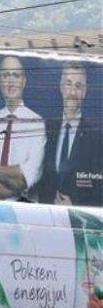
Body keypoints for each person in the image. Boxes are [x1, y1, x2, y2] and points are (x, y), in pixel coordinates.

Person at [0, 56, 46, 200]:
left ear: (23, 81)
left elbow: (25, 179)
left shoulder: (36, 123)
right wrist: (12, 177)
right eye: (6, 75)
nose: (11, 81)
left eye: (16, 75)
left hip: (23, 211)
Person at [39, 61, 101, 206]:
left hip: (78, 218)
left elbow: (100, 189)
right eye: (68, 84)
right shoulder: (45, 129)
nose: (72, 92)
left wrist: (75, 207)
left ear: (84, 92)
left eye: (78, 86)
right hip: (44, 215)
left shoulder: (97, 137)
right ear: (61, 87)